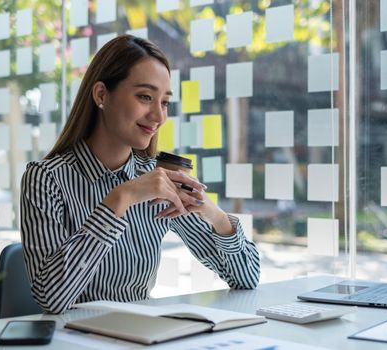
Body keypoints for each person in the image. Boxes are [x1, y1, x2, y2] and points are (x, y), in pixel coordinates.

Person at [20, 35, 260, 314]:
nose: (159, 116)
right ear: (101, 95)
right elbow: (52, 297)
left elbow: (247, 278)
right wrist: (121, 197)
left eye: (165, 102)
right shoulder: (46, 178)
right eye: (145, 97)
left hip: (141, 336)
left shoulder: (159, 180)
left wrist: (216, 216)